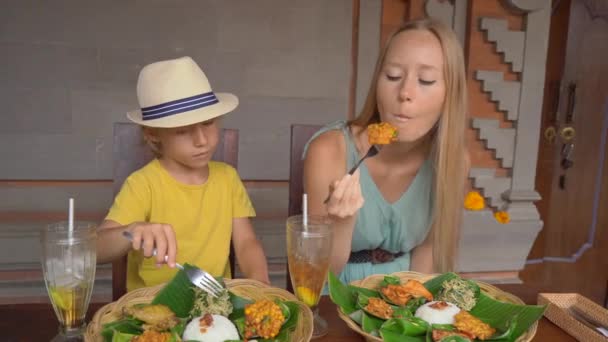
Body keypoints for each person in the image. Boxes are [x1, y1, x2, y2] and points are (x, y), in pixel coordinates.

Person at [303, 19, 468, 285]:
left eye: (425, 80)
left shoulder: (452, 162)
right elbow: (314, 277)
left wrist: (410, 315)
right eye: (392, 76)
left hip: (405, 298)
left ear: (450, 95)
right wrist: (341, 223)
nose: (404, 93)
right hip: (335, 301)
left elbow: (428, 255)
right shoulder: (328, 151)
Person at [96, 56, 270, 291]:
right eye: (182, 131)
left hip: (214, 311)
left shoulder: (227, 178)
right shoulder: (143, 184)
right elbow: (97, 248)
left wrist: (260, 283)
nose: (201, 140)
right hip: (151, 311)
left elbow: (247, 243)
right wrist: (133, 230)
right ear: (153, 134)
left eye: (208, 123)